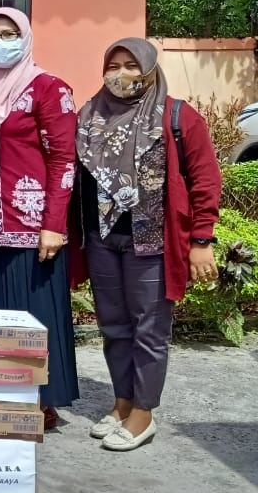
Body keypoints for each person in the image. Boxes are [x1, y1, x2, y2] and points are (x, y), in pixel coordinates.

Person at [74, 38, 220, 451]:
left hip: (153, 242)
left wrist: (202, 239)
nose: (121, 74)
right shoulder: (89, 114)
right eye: (113, 65)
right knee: (114, 327)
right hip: (103, 239)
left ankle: (144, 412)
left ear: (151, 69)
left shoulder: (177, 116)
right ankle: (122, 403)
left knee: (149, 330)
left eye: (131, 65)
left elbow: (206, 180)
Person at [0, 8, 79, 430]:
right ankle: (1, 391)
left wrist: (53, 224)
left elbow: (64, 160)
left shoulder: (48, 89)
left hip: (34, 225)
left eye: (9, 33)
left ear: (26, 37)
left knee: (36, 313)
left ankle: (44, 399)